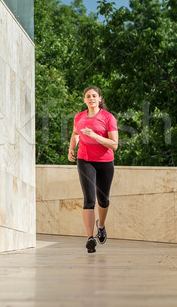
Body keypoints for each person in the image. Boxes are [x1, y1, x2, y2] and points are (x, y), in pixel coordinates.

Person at [68, 86, 118, 253]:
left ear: (99, 99)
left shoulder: (108, 118)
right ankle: (90, 238)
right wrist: (71, 148)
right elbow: (75, 133)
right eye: (88, 96)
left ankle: (101, 225)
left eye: (94, 96)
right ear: (84, 100)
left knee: (103, 200)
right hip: (85, 161)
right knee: (89, 199)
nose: (91, 99)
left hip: (104, 162)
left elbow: (114, 144)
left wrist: (94, 136)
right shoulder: (79, 117)